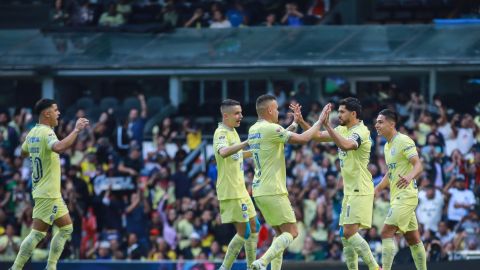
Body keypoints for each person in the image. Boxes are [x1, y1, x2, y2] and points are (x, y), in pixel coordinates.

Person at [291, 97, 380, 270]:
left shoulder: (360, 131)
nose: (337, 115)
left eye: (341, 112)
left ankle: (375, 267)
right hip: (349, 190)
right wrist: (301, 120)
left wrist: (328, 126)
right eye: (337, 111)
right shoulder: (342, 129)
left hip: (360, 188)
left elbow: (347, 145)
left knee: (348, 232)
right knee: (344, 234)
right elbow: (315, 136)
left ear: (353, 114)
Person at [248, 94, 326, 270]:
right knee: (292, 232)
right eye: (275, 109)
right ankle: (262, 262)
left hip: (259, 190)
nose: (277, 112)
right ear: (269, 110)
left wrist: (295, 122)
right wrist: (319, 121)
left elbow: (279, 136)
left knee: (280, 234)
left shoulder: (254, 129)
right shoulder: (272, 129)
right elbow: (304, 139)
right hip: (273, 189)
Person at [9, 99, 89, 270]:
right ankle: (15, 268)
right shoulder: (47, 133)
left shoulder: (32, 133)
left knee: (66, 228)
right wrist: (76, 130)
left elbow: (22, 152)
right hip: (48, 193)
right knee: (37, 233)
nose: (58, 113)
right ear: (47, 113)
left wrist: (35, 151)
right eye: (55, 109)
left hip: (48, 191)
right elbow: (59, 147)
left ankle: (51, 267)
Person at [374, 109, 427, 270]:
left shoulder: (403, 140)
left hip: (406, 196)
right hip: (398, 197)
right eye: (376, 122)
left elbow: (419, 165)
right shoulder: (387, 146)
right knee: (413, 239)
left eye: (381, 122)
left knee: (385, 233)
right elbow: (390, 173)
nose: (377, 125)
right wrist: (377, 189)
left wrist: (410, 176)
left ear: (392, 123)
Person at [213, 99, 258, 270]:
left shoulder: (233, 131)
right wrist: (246, 142)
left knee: (255, 227)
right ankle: (224, 268)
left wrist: (255, 150)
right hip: (230, 190)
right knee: (244, 232)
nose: (241, 116)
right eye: (237, 113)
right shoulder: (221, 133)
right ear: (226, 115)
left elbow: (237, 154)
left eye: (241, 112)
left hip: (241, 189)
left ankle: (251, 267)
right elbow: (224, 152)